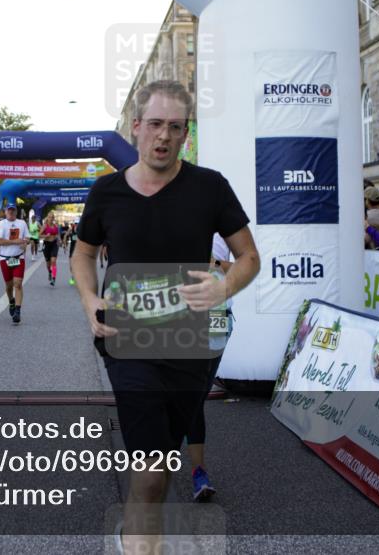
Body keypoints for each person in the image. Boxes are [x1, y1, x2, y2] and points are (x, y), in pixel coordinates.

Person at [71, 80, 260, 552]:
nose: (164, 136)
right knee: (151, 470)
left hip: (188, 344)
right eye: (155, 124)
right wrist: (89, 298)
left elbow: (249, 258)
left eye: (175, 127)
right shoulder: (107, 191)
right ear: (136, 127)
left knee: (162, 462)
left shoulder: (210, 187)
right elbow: (83, 254)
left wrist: (223, 287)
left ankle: (137, 533)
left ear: (185, 134)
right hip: (126, 339)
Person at [185, 233, 235, 501]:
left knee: (195, 400)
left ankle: (197, 471)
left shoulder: (225, 227)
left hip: (217, 319)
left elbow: (243, 267)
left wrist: (213, 263)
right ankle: (198, 472)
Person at [0, 203, 29, 324]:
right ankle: (11, 301)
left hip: (19, 257)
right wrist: (16, 242)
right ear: (5, 212)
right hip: (5, 259)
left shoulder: (22, 223)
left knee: (18, 284)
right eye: (9, 210)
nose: (11, 212)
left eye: (13, 210)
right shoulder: (1, 224)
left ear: (16, 212)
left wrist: (25, 243)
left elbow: (27, 238)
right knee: (9, 286)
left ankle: (18, 312)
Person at [40, 212, 61, 286]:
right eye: (49, 217)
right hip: (47, 245)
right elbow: (39, 235)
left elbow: (58, 234)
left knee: (53, 261)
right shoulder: (45, 226)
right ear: (47, 218)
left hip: (54, 244)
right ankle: (49, 272)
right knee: (48, 263)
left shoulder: (56, 226)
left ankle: (53, 279)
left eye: (52, 217)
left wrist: (59, 240)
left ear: (54, 218)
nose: (51, 218)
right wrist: (46, 236)